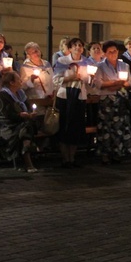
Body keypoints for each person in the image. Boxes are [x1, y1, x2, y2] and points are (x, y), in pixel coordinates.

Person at [53, 37, 90, 168]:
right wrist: (70, 77)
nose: (78, 48)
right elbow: (56, 79)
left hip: (79, 96)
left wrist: (89, 78)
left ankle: (72, 157)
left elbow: (88, 80)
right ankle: (65, 158)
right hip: (64, 96)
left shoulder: (86, 62)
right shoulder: (62, 61)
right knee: (65, 126)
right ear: (70, 48)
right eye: (75, 45)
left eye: (80, 45)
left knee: (75, 127)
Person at [93, 41, 131, 164]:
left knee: (119, 127)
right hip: (107, 101)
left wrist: (122, 84)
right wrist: (115, 83)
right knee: (106, 128)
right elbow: (99, 83)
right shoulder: (100, 66)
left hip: (120, 99)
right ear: (105, 53)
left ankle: (118, 152)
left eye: (115, 51)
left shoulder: (124, 65)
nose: (113, 54)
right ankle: (105, 154)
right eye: (110, 52)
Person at [0, 72, 38, 172]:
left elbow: (29, 106)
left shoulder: (21, 93)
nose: (21, 81)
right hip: (7, 124)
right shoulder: (3, 95)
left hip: (21, 121)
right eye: (18, 79)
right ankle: (28, 160)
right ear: (12, 82)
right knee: (26, 128)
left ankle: (26, 154)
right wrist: (20, 115)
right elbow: (7, 114)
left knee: (27, 126)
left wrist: (30, 113)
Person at [19, 42, 55, 111]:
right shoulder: (25, 67)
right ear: (28, 55)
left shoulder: (46, 63)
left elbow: (52, 79)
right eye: (33, 52)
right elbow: (22, 86)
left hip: (49, 99)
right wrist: (31, 80)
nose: (36, 54)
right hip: (36, 99)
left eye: (37, 51)